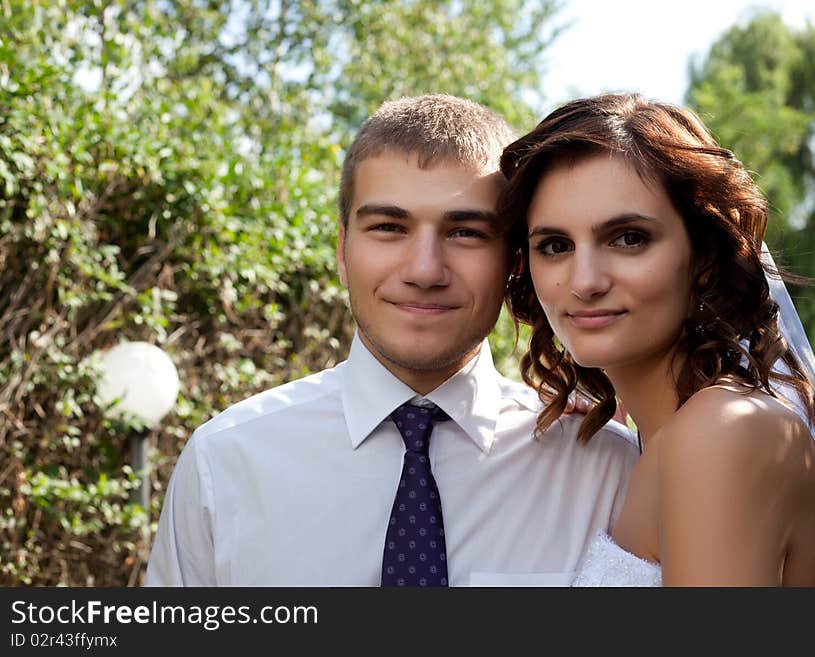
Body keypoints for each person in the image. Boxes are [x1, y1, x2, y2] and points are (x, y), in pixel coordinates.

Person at [145, 94, 638, 586]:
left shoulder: (607, 469)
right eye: (388, 227)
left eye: (465, 232)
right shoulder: (225, 463)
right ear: (342, 250)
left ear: (514, 261)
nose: (425, 270)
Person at [498, 92, 815, 586]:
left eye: (628, 238)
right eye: (555, 245)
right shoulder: (667, 436)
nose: (585, 280)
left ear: (702, 256)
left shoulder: (723, 431)